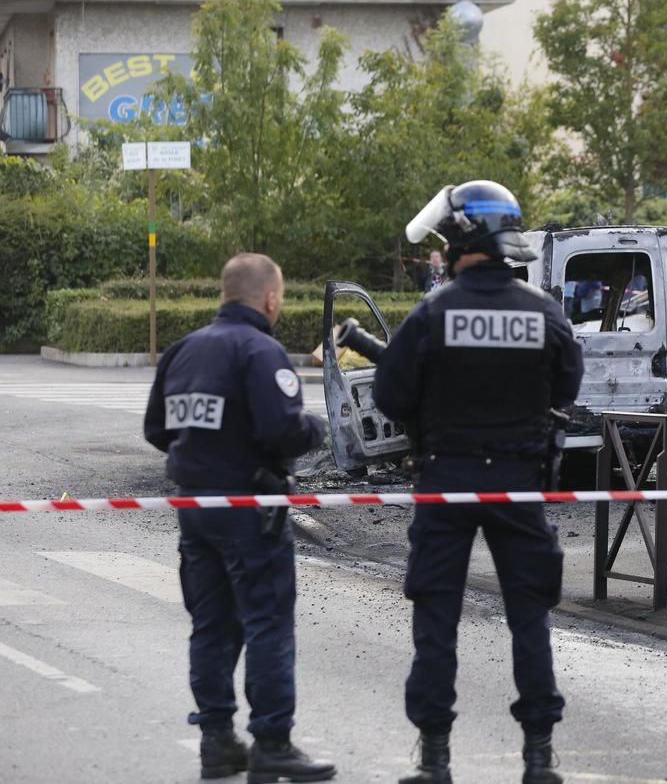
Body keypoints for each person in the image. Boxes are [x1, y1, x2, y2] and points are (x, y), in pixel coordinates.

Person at [373, 181, 584, 784]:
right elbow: (566, 387)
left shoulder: (434, 313)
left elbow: (389, 395)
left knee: (437, 618)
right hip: (519, 482)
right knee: (529, 618)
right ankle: (539, 760)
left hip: (446, 481)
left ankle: (435, 761)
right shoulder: (544, 312)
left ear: (464, 236)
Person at [143, 253, 336, 783]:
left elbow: (157, 431)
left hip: (193, 508)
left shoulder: (183, 349)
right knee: (268, 624)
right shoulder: (260, 349)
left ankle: (216, 743)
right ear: (269, 299)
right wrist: (316, 427)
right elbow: (283, 430)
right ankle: (272, 743)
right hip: (250, 509)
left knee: (211, 627)